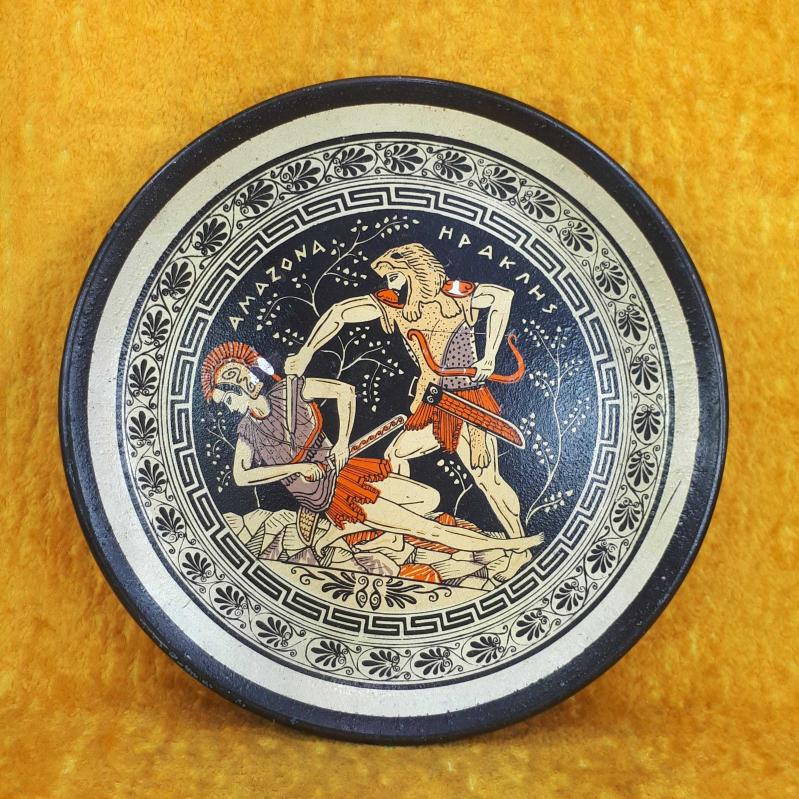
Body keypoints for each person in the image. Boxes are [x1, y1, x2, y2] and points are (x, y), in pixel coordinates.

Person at [283, 243, 542, 578]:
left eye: (394, 276)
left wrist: (489, 356)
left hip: (466, 403)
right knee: (396, 455)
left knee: (487, 479)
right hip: (432, 403)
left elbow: (502, 297)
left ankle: (520, 549)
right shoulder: (394, 305)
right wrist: (306, 352)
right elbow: (340, 313)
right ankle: (398, 534)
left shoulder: (454, 293)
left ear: (413, 270)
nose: (390, 284)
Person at [200, 341, 540, 561]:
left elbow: (344, 392)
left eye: (240, 375)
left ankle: (344, 532)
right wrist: (295, 469)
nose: (239, 388)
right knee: (424, 529)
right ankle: (507, 546)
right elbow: (241, 476)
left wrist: (342, 443)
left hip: (345, 469)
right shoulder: (247, 432)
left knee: (429, 499)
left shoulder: (290, 391)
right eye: (229, 389)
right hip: (328, 494)